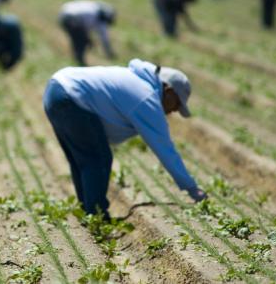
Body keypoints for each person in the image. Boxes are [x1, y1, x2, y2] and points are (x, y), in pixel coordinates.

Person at [42, 59, 207, 219]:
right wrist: (191, 188)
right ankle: (97, 215)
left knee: (83, 160)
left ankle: (88, 211)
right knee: (98, 158)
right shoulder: (146, 97)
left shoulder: (136, 81)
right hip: (70, 96)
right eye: (176, 105)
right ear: (169, 91)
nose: (173, 111)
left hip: (56, 89)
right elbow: (164, 148)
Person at [59, 0, 117, 66]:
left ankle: (78, 60)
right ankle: (80, 62)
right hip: (72, 18)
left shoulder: (93, 8)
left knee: (78, 41)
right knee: (82, 41)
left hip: (64, 16)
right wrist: (109, 53)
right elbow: (104, 39)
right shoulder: (97, 17)